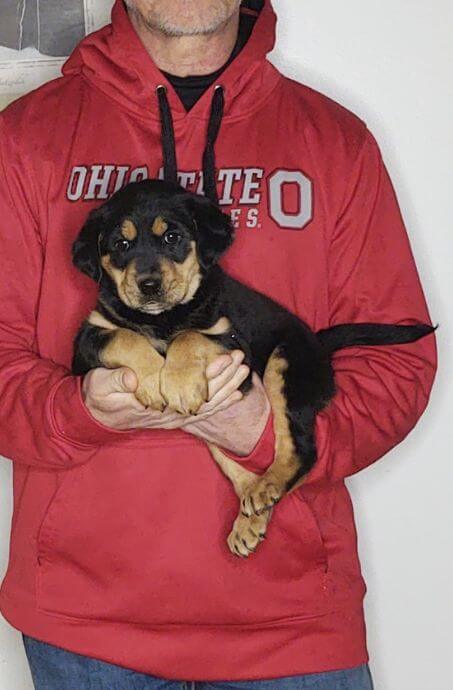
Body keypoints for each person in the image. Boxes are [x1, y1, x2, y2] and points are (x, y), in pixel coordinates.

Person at [0, 1, 436, 689]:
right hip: (87, 628)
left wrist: (270, 434)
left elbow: (395, 360)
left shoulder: (334, 141)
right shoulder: (24, 138)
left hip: (291, 628)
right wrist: (78, 412)